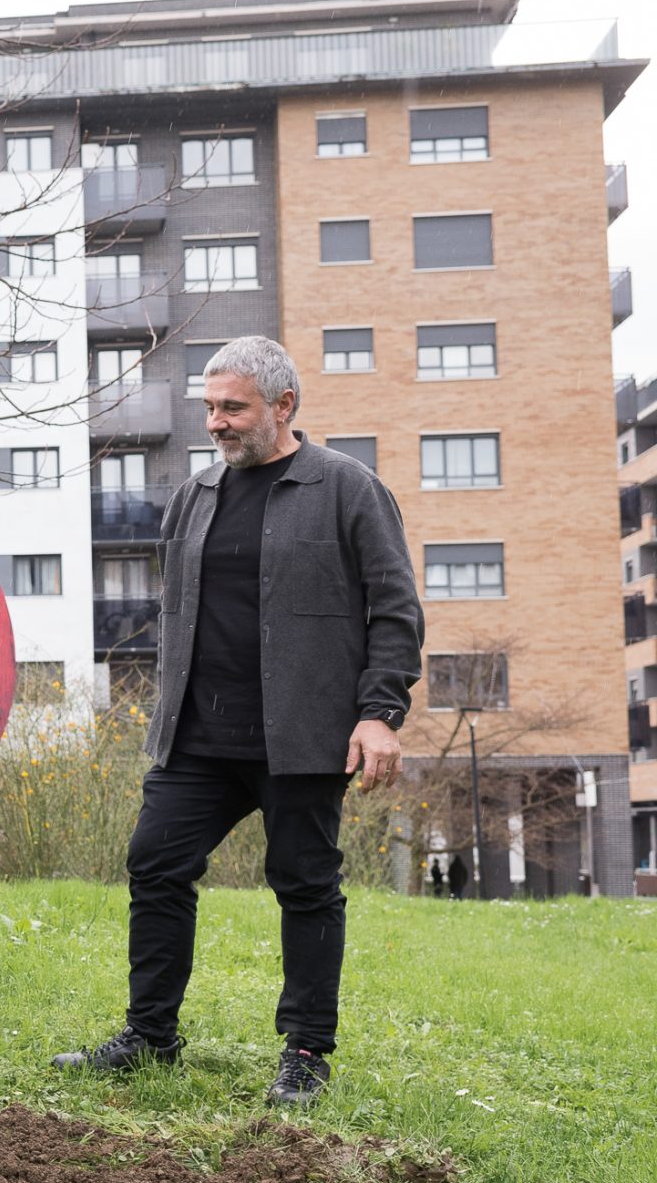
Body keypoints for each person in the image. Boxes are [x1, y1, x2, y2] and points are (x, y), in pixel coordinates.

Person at [53, 336, 423, 1106]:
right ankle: (150, 1037)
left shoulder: (349, 489)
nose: (216, 422)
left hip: (303, 735)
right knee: (155, 865)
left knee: (306, 884)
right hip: (198, 737)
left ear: (283, 405)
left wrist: (380, 712)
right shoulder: (194, 497)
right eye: (210, 407)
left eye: (233, 407)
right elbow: (177, 612)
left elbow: (394, 608)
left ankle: (307, 1051)